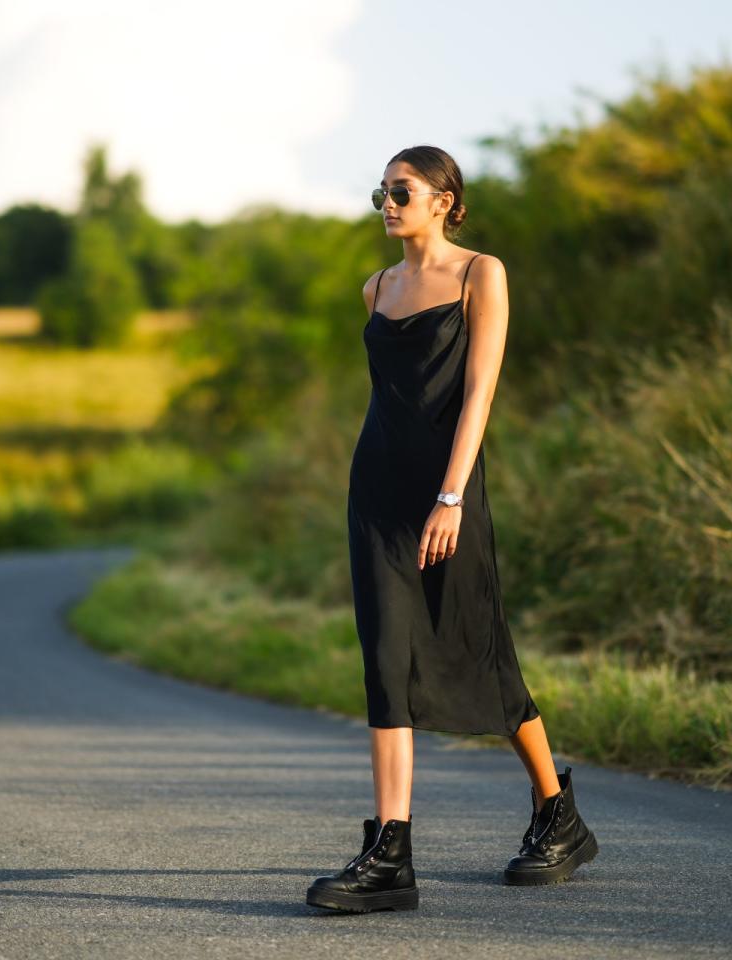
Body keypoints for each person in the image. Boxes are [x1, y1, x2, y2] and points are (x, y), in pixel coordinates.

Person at [306, 145, 598, 913]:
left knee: (477, 647)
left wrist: (451, 495)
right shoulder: (375, 288)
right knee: (385, 659)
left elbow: (479, 393)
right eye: (381, 191)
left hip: (448, 493)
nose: (387, 202)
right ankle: (389, 853)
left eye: (401, 190)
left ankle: (557, 812)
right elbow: (388, 400)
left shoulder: (480, 274)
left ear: (444, 200)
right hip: (377, 493)